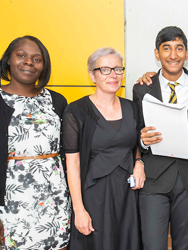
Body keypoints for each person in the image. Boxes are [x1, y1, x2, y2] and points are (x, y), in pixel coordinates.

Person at [0, 35, 70, 249]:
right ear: (8, 60)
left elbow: (68, 154)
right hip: (11, 207)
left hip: (55, 202)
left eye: (36, 59)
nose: (28, 62)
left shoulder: (57, 101)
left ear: (44, 66)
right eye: (21, 55)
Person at [132, 26, 188, 250]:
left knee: (185, 245)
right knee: (152, 245)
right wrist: (143, 140)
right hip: (154, 180)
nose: (173, 55)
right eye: (166, 48)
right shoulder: (142, 89)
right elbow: (135, 132)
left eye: (179, 48)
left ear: (186, 53)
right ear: (157, 54)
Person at [63, 47, 144, 250]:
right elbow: (72, 164)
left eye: (118, 69)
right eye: (105, 70)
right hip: (93, 197)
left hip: (127, 195)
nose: (113, 75)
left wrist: (139, 162)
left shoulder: (132, 108)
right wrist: (79, 210)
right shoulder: (76, 111)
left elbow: (135, 145)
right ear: (92, 75)